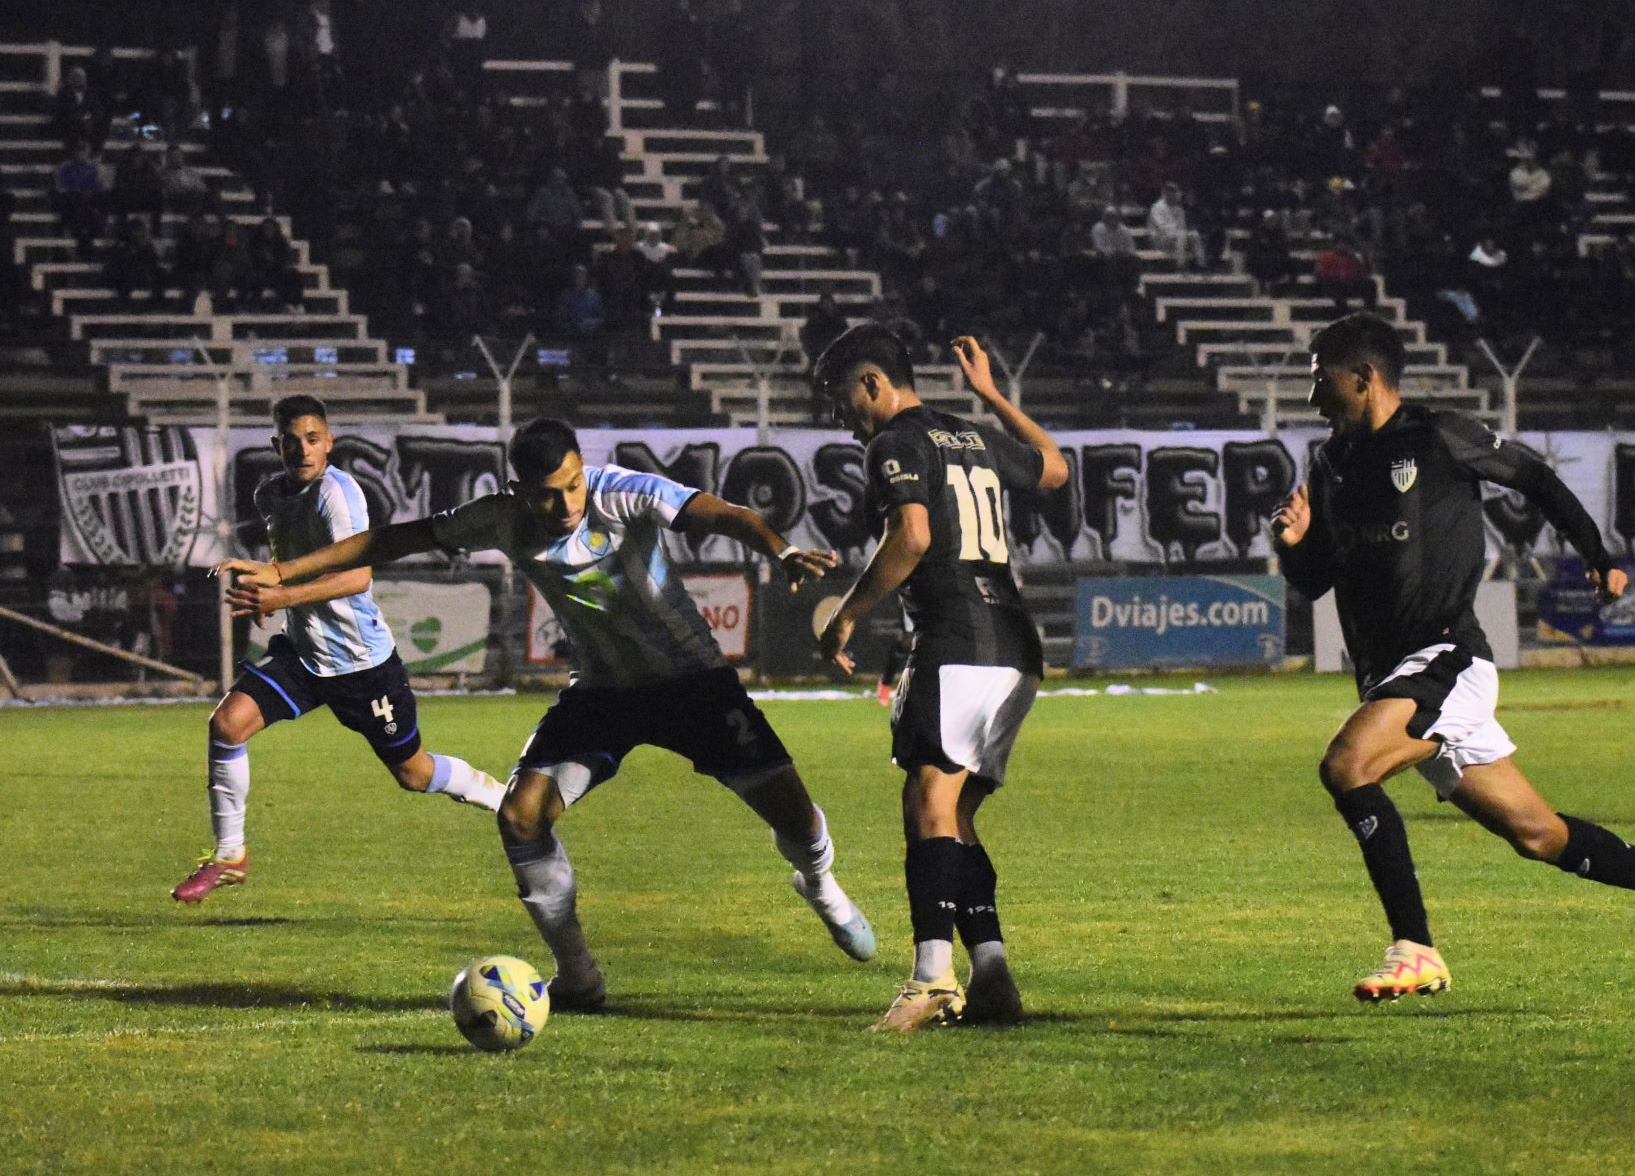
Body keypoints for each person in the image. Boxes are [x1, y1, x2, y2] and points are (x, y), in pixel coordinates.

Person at [214, 418, 876, 1011]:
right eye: (546, 494)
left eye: (572, 485)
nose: (564, 504)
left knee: (795, 815)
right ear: (518, 490)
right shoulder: (501, 516)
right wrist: (283, 573)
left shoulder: (623, 492)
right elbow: (390, 540)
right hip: (602, 694)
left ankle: (819, 883)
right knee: (520, 815)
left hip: (693, 685)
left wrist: (778, 547)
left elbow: (723, 513)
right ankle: (578, 975)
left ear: (583, 470)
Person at [1268, 312, 1635, 1001]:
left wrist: (1599, 556)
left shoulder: (1438, 435)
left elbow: (1537, 479)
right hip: (1395, 678)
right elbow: (1315, 578)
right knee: (1538, 834)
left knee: (1347, 765)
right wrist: (1292, 542)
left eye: (1320, 380)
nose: (1312, 397)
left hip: (1448, 657)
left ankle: (1415, 947)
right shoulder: (1331, 461)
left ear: (1364, 378)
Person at [813, 328, 1069, 1032]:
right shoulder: (976, 434)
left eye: (843, 399)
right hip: (1015, 642)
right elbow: (1055, 469)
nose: (842, 416)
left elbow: (914, 537)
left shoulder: (894, 442)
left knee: (929, 803)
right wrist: (992, 396)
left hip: (957, 636)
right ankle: (991, 973)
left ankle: (931, 978)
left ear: (872, 383)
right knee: (951, 815)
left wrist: (847, 615)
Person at [173, 396, 505, 905]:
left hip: (362, 667)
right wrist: (268, 590)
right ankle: (230, 855)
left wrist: (281, 593)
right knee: (226, 725)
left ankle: (507, 800)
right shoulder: (271, 495)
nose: (302, 449)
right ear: (276, 444)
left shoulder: (338, 494)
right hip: (303, 657)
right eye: (291, 440)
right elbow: (294, 560)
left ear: (329, 442)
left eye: (312, 438)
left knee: (413, 773)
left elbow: (357, 574)